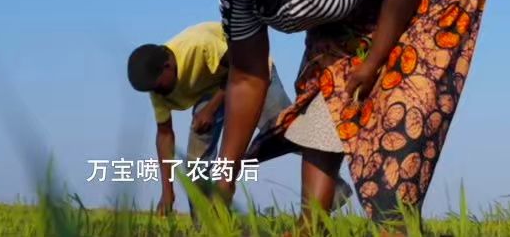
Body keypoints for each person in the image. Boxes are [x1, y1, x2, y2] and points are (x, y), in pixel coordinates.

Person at [181, 0, 488, 227]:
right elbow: (248, 78)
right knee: (322, 90)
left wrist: (373, 62)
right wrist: (225, 181)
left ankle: (395, 225)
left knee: (407, 86)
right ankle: (311, 227)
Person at [127, 21, 351, 215]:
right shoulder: (156, 89)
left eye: (157, 86)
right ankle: (207, 224)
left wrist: (211, 108)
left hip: (252, 71)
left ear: (167, 66)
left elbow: (242, 71)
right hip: (212, 86)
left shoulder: (199, 45)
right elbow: (164, 137)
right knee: (196, 162)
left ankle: (332, 188)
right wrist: (168, 191)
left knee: (286, 131)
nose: (156, 93)